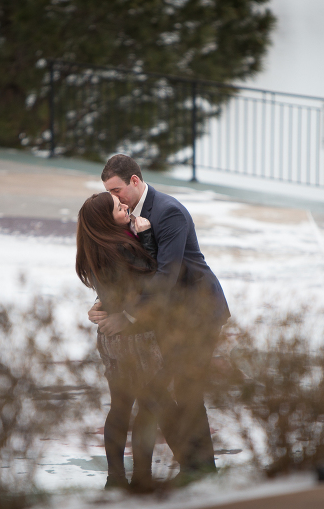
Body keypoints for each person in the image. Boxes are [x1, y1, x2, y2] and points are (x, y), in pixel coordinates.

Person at [88, 154, 231, 483]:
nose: (114, 197)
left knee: (187, 389)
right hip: (165, 317)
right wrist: (102, 302)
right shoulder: (126, 216)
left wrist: (125, 316)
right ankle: (191, 466)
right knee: (164, 393)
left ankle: (203, 470)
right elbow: (130, 271)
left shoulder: (168, 213)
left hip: (198, 312)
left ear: (135, 182)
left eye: (117, 190)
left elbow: (165, 276)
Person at [76, 191, 179, 491]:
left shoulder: (95, 247)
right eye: (116, 206)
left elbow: (115, 289)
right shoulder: (121, 246)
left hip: (111, 339)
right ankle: (142, 478)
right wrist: (145, 237)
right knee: (148, 406)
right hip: (137, 339)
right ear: (104, 219)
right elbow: (149, 282)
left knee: (120, 405)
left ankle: (115, 478)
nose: (123, 205)